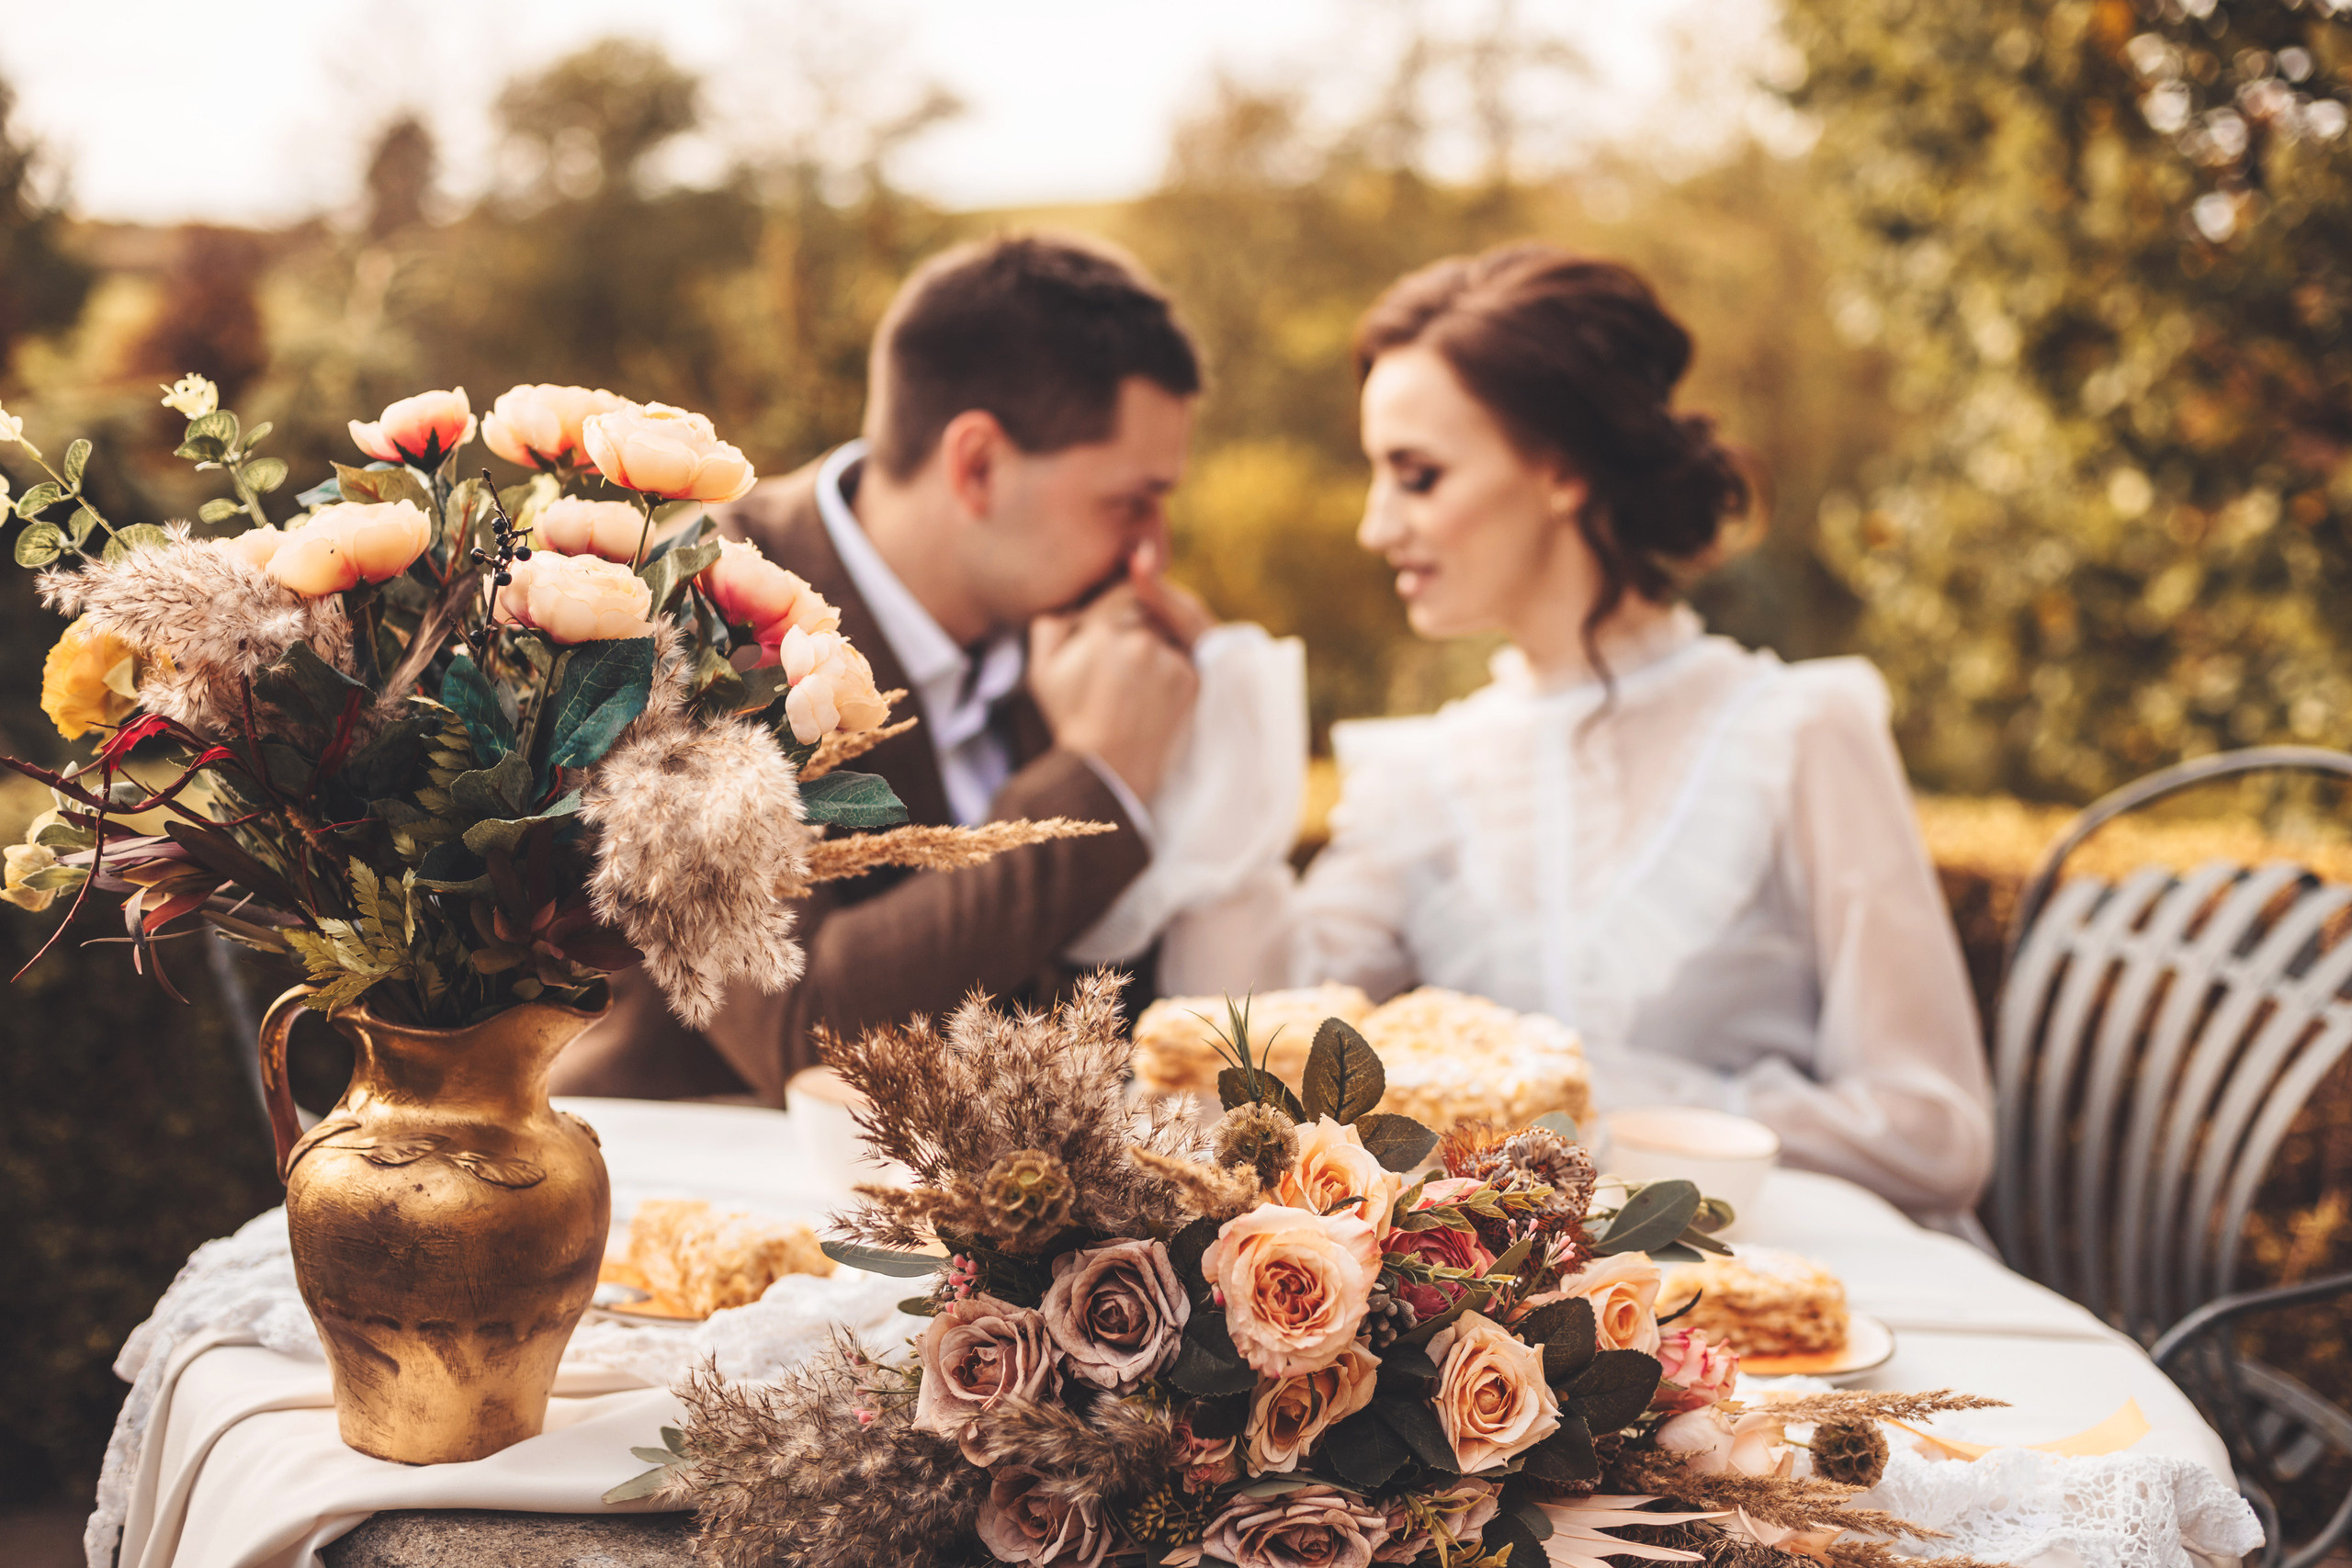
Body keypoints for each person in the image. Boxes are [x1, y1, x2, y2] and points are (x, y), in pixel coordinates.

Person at [1209, 242, 1993, 1223]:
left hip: (1823, 1317)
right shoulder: (1420, 778)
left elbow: (1936, 1136)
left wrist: (1584, 1100)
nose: (1375, 526)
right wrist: (1209, 728)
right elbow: (1248, 1063)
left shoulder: (1798, 731)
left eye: (1416, 475)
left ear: (1561, 472)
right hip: (1533, 1352)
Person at [552, 234, 1304, 1104]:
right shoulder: (683, 624)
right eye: (1128, 504)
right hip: (698, 1192)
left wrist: (1203, 739)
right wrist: (1095, 780)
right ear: (978, 465)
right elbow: (803, 1030)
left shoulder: (1062, 623)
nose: (1152, 554)